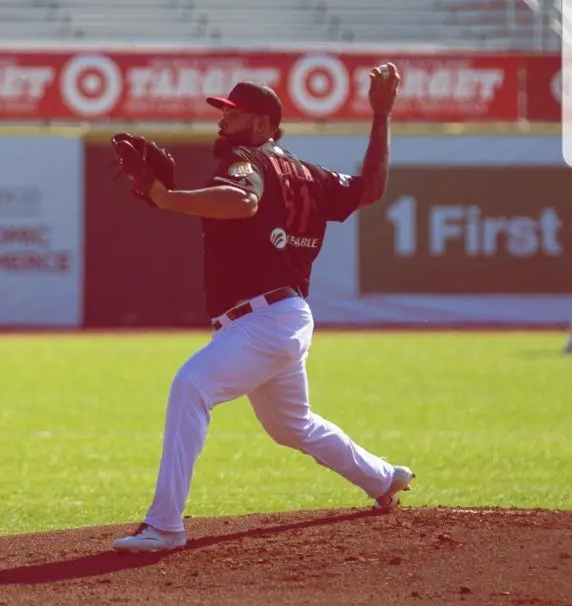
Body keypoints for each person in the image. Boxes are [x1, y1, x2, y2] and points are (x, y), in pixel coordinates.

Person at [112, 63, 414, 553]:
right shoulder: (311, 175)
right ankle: (383, 478)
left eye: (232, 114)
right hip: (281, 317)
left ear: (261, 124)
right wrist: (381, 116)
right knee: (293, 426)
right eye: (223, 113)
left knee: (191, 386)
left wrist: (165, 198)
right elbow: (371, 188)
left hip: (264, 320)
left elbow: (243, 202)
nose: (222, 122)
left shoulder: (244, 159)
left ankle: (165, 526)